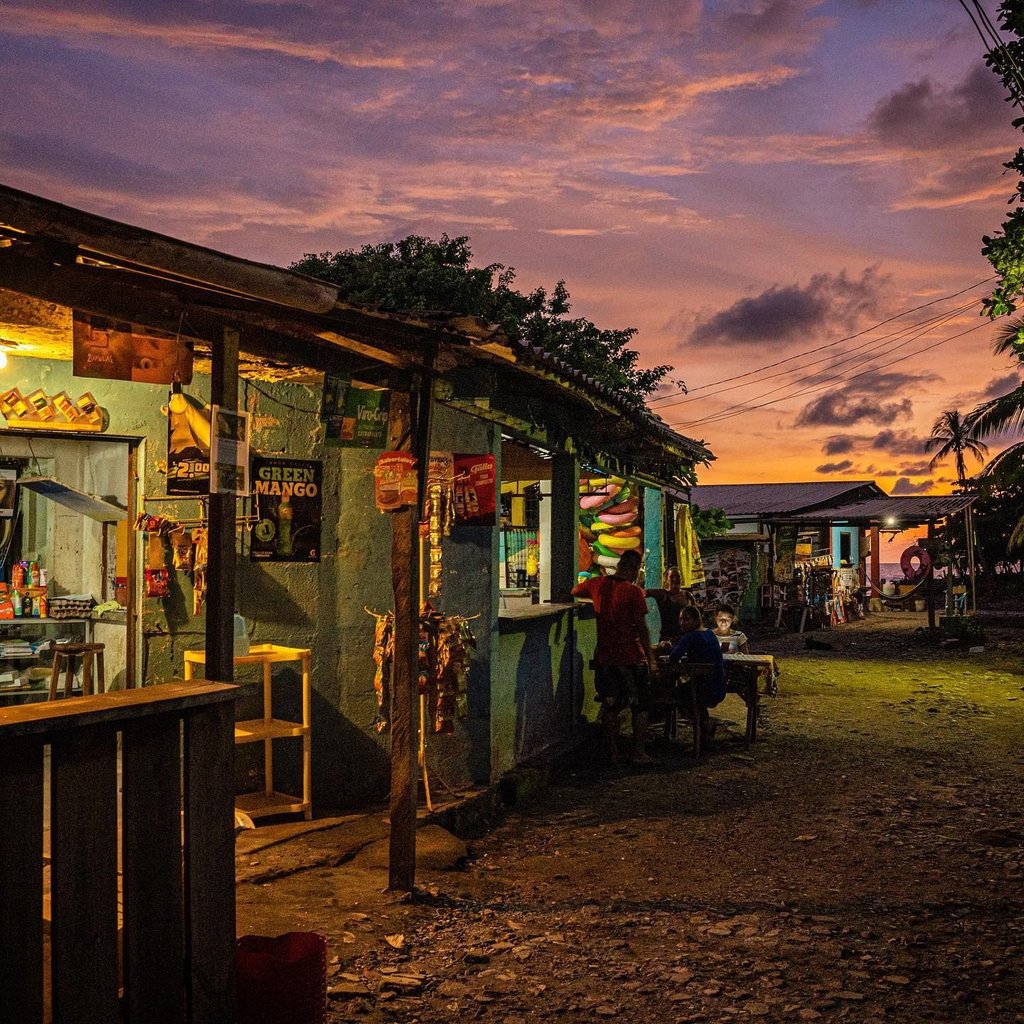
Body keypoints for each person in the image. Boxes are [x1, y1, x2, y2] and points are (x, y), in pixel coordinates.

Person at [572, 549, 657, 766]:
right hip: (631, 657)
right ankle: (638, 753)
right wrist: (651, 658)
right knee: (640, 705)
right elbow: (642, 628)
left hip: (605, 657)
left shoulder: (597, 584)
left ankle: (613, 753)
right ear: (634, 569)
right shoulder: (634, 592)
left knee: (611, 705)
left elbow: (574, 591)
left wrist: (595, 601)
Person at [668, 606, 726, 747]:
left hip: (704, 688)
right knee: (688, 691)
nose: (682, 623)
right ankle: (705, 726)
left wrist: (667, 646)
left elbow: (673, 657)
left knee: (676, 694)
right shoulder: (709, 634)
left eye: (686, 619)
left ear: (696, 620)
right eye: (680, 619)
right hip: (719, 685)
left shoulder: (691, 636)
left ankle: (703, 724)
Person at [645, 565, 695, 645]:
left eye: (677, 576)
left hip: (684, 638)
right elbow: (643, 592)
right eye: (672, 576)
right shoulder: (662, 594)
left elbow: (695, 618)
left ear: (681, 578)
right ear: (666, 579)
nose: (675, 579)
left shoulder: (688, 596)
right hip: (667, 640)